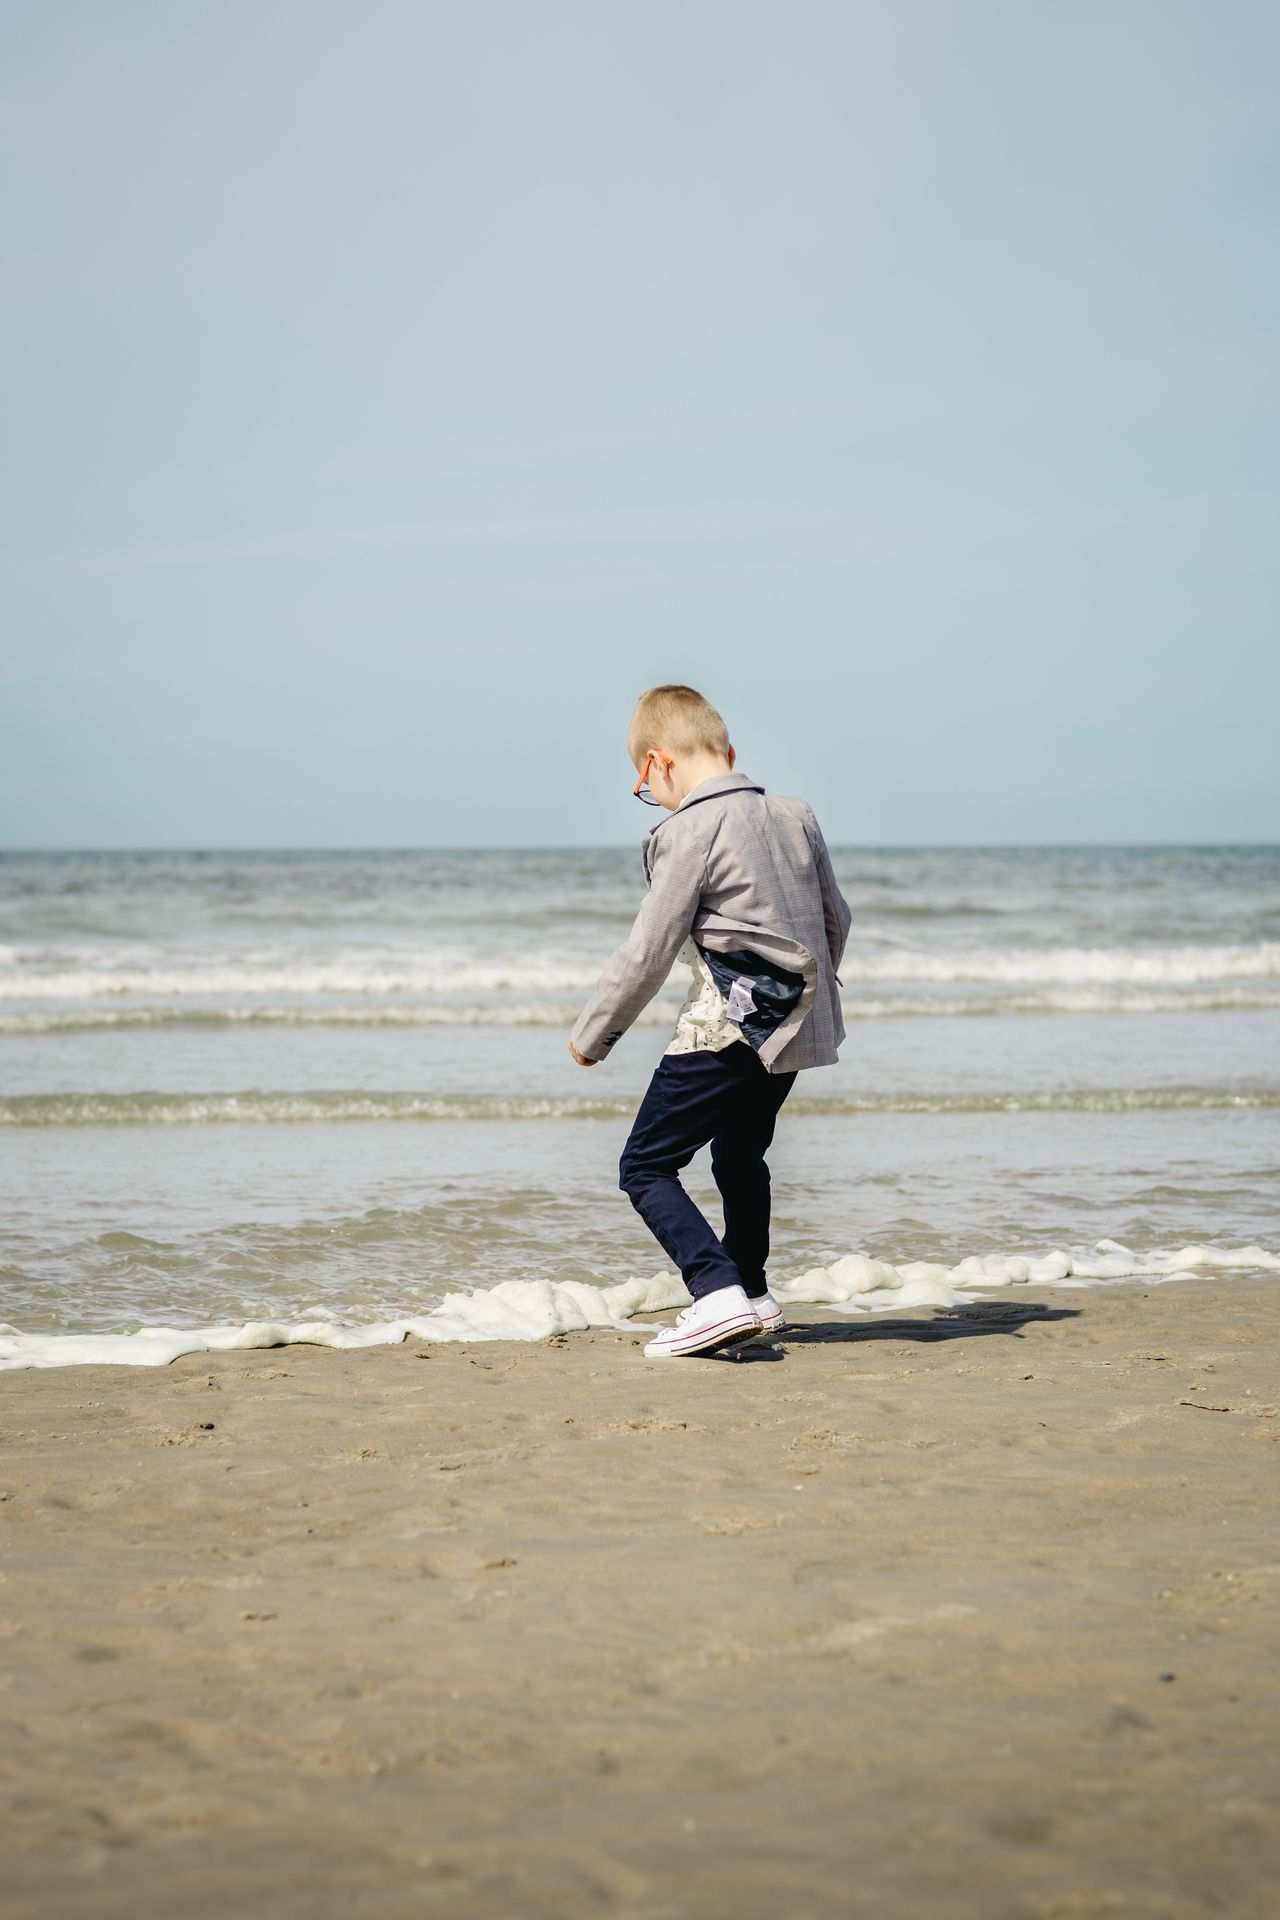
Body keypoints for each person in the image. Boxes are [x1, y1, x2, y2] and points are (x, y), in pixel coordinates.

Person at [568, 684, 852, 1358]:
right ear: (729, 752)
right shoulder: (796, 813)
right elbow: (835, 918)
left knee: (645, 1166)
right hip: (798, 1025)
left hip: (727, 1028)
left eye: (646, 786)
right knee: (739, 1155)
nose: (652, 800)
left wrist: (593, 1034)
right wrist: (804, 1003)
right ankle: (752, 1292)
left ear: (657, 764)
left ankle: (716, 1291)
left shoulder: (685, 830)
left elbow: (649, 948)